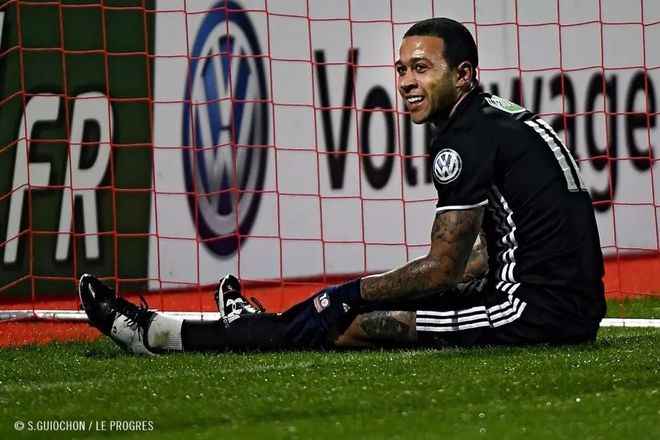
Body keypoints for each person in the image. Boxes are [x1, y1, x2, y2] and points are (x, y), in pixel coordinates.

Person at [78, 17, 606, 355]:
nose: (406, 82)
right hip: (569, 306)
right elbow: (486, 255)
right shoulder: (498, 119)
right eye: (401, 69)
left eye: (421, 68)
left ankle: (159, 335)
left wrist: (345, 294)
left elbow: (445, 266)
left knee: (341, 322)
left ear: (463, 75)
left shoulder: (465, 139)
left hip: (534, 315)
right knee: (348, 309)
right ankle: (246, 324)